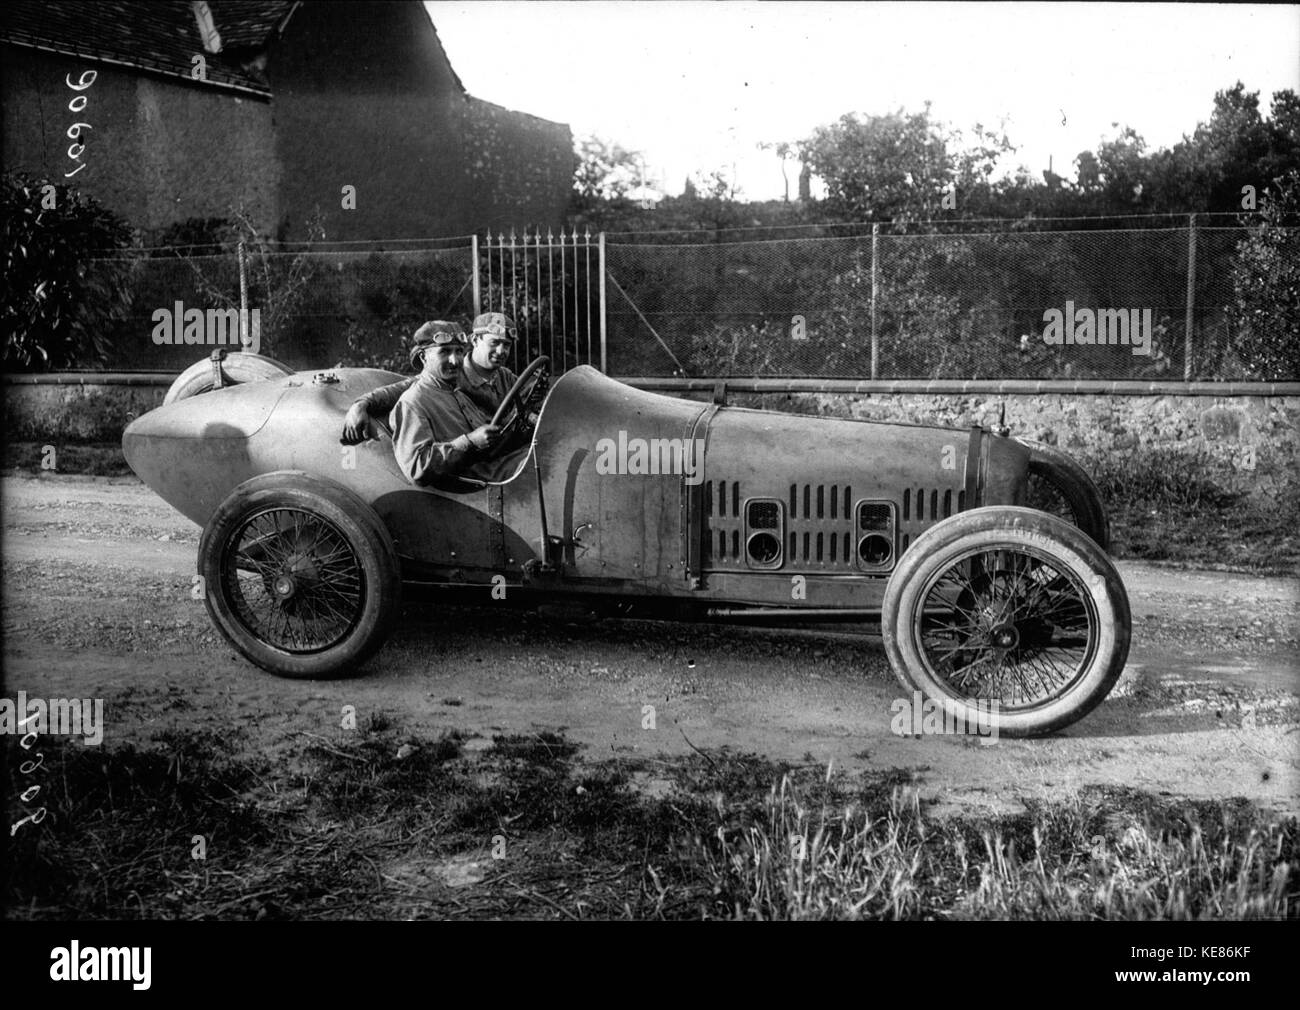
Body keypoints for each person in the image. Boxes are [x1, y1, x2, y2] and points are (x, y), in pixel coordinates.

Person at [341, 312, 531, 445]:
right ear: (474, 341)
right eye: (494, 343)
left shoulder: (505, 376)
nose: (501, 351)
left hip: (500, 449)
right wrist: (361, 404)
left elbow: (527, 401)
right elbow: (405, 389)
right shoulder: (451, 375)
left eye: (506, 345)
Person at [386, 323, 521, 485]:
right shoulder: (413, 402)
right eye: (444, 352)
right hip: (470, 484)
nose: (455, 360)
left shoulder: (454, 389)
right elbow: (416, 468)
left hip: (486, 468)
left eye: (459, 351)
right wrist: (469, 441)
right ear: (423, 357)